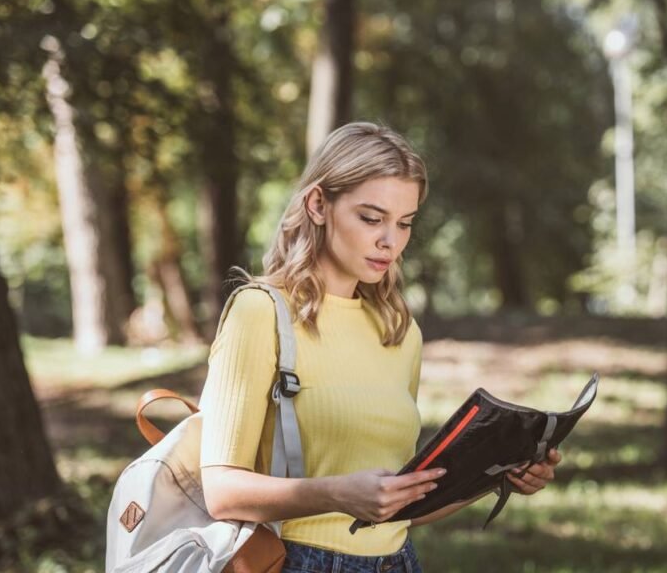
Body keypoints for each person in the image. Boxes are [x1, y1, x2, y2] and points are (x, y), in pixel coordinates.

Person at [198, 122, 563, 573]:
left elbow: (397, 507)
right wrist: (334, 493)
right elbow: (219, 491)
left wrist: (496, 476)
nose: (390, 241)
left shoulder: (399, 331)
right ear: (318, 205)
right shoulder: (261, 313)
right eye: (371, 219)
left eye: (405, 223)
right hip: (292, 562)